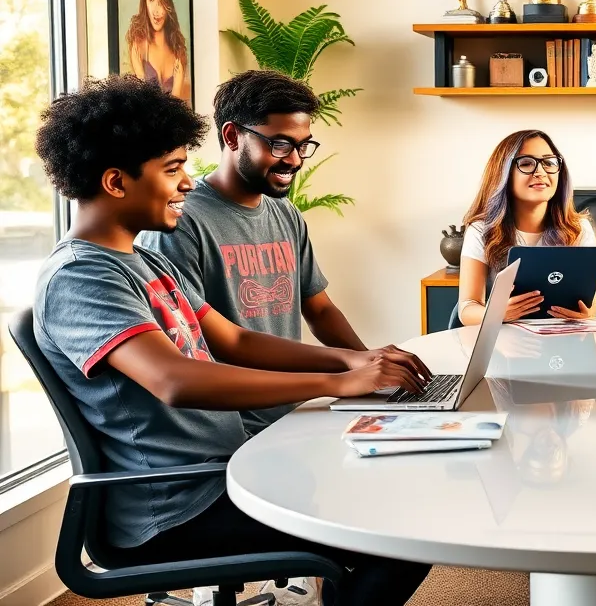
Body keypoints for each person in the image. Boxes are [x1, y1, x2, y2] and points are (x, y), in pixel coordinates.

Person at [31, 75, 433, 606]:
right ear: (115, 182)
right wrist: (336, 381)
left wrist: (356, 361)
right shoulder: (81, 276)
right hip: (179, 505)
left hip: (231, 469)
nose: (186, 183)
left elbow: (237, 341)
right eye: (172, 169)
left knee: (398, 498)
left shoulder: (143, 261)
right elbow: (175, 381)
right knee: (400, 538)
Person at [138, 70, 368, 604]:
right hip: (238, 426)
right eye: (280, 144)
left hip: (295, 409)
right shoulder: (176, 225)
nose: (294, 159)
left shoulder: (285, 214)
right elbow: (207, 347)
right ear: (231, 136)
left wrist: (369, 362)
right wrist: (339, 376)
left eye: (304, 145)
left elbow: (318, 306)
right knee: (379, 526)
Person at [457, 129, 596, 326]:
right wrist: (497, 313)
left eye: (549, 162)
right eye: (526, 163)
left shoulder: (579, 229)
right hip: (503, 338)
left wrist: (585, 316)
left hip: (561, 338)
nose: (540, 172)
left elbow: (591, 309)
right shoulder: (481, 230)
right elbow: (467, 308)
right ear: (503, 173)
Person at [126, 0, 191, 104]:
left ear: (168, 3)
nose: (156, 10)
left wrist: (177, 89)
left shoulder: (178, 50)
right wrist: (140, 75)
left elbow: (180, 110)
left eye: (161, 1)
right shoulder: (138, 45)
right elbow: (140, 106)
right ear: (144, 0)